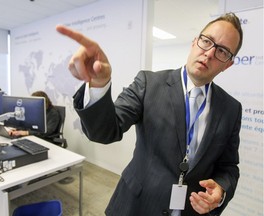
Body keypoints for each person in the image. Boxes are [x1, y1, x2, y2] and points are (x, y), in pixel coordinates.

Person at [56, 12, 243, 216]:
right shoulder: (148, 83)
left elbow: (228, 166)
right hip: (136, 206)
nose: (209, 53)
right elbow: (106, 131)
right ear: (194, 42)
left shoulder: (231, 109)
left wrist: (221, 190)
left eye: (222, 51)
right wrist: (99, 85)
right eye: (206, 41)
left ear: (228, 64)